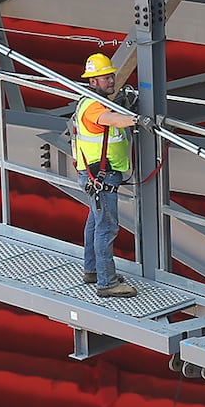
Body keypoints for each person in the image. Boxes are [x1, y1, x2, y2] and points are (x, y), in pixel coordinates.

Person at [75, 53, 138, 298]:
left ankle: (92, 270)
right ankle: (107, 283)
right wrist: (134, 120)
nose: (111, 80)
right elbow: (107, 119)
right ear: (93, 82)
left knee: (94, 222)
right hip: (102, 176)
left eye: (111, 75)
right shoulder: (93, 107)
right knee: (106, 228)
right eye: (105, 78)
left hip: (95, 175)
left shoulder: (92, 101)